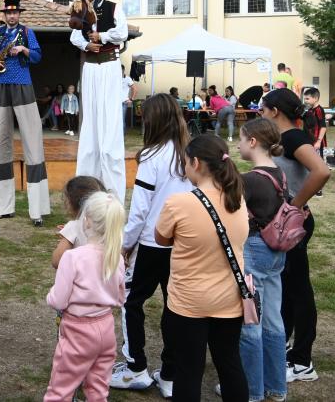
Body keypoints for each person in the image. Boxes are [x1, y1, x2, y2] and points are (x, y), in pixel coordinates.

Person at [155, 134, 250, 402]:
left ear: (195, 162)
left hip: (189, 302)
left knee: (188, 370)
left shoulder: (179, 202)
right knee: (230, 364)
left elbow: (161, 238)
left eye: (185, 162)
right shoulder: (237, 199)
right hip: (230, 300)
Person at [111, 94, 191, 398]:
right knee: (177, 307)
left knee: (131, 301)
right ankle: (170, 374)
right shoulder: (189, 154)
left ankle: (136, 368)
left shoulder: (152, 156)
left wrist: (125, 245)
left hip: (151, 243)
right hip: (183, 244)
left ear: (152, 121)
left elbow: (140, 210)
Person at [260, 89, 330, 382]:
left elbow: (321, 172)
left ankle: (303, 361)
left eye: (264, 109)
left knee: (299, 289)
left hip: (294, 222)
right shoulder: (284, 139)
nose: (261, 113)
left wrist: (294, 205)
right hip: (290, 221)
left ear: (275, 111)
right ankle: (289, 348)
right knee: (288, 286)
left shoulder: (292, 138)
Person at [44, 192, 127, 402]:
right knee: (98, 390)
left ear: (87, 220)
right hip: (106, 329)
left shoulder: (72, 257)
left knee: (60, 390)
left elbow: (59, 300)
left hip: (77, 331)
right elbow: (120, 297)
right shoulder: (115, 256)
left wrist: (50, 297)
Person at [0, 0, 50, 226]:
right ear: (4, 14)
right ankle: (2, 207)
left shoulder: (27, 32)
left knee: (32, 138)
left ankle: (37, 209)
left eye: (15, 13)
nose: (12, 16)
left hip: (23, 84)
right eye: (8, 13)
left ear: (20, 14)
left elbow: (39, 56)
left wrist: (23, 49)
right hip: (1, 86)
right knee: (0, 140)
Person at [235, 118, 289, 402]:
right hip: (276, 253)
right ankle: (277, 387)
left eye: (242, 139)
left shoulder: (250, 179)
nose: (239, 144)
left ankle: (252, 390)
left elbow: (236, 215)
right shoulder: (280, 173)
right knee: (273, 320)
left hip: (254, 251)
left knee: (250, 323)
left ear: (253, 142)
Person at [69, 0, 128, 202]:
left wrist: (101, 36)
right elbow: (74, 36)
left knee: (109, 122)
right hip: (91, 68)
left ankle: (113, 194)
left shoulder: (113, 8)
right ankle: (87, 192)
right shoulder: (80, 10)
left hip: (110, 66)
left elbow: (122, 33)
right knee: (90, 124)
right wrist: (86, 43)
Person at [51, 176, 106, 268]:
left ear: (70, 203)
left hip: (80, 279)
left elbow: (56, 261)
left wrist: (68, 234)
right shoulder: (111, 224)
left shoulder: (73, 227)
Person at [302, 87, 327, 159]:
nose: (305, 101)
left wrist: (318, 141)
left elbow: (323, 126)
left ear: (315, 98)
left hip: (317, 141)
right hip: (311, 139)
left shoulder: (319, 110)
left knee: (318, 160)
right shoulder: (310, 110)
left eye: (307, 99)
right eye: (304, 99)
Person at [121, 65, 138, 130]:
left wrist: (131, 99)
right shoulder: (114, 78)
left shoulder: (127, 79)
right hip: (114, 103)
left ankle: (122, 137)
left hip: (123, 102)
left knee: (121, 120)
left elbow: (135, 89)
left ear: (123, 70)